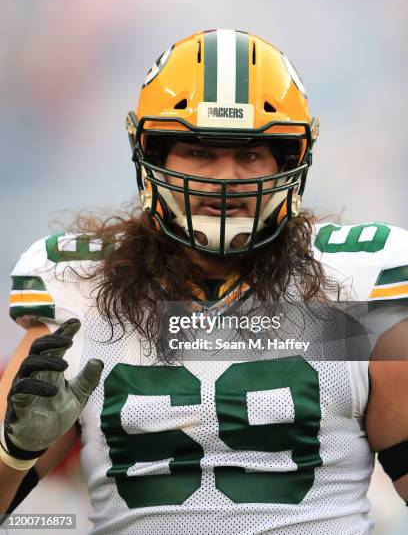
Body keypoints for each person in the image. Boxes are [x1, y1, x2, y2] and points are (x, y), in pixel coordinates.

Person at [0, 29, 407, 534]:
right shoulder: (78, 286)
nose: (225, 178)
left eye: (251, 154)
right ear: (152, 155)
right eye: (200, 151)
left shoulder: (355, 283)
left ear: (290, 161)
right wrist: (14, 455)